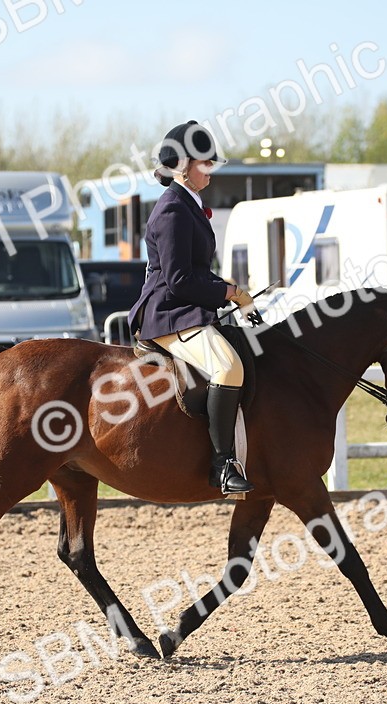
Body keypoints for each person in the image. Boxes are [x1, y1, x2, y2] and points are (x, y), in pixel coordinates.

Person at [127, 120, 260, 495]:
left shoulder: (190, 206)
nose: (212, 170)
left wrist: (232, 292)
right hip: (168, 312)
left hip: (185, 308)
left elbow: (196, 272)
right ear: (185, 166)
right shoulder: (172, 209)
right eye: (206, 163)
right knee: (228, 367)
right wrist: (230, 292)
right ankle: (223, 464)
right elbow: (180, 279)